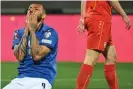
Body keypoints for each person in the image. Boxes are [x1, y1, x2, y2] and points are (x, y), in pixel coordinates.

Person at [76, 1, 131, 89]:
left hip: (99, 18)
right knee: (91, 59)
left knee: (111, 57)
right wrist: (123, 15)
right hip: (100, 19)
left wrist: (83, 17)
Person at [3, 3, 58, 89]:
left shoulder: (49, 32)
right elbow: (20, 57)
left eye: (36, 9)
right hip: (20, 80)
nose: (31, 10)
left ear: (44, 15)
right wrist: (26, 31)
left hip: (41, 79)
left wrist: (32, 31)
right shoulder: (19, 33)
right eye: (30, 9)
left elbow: (37, 55)